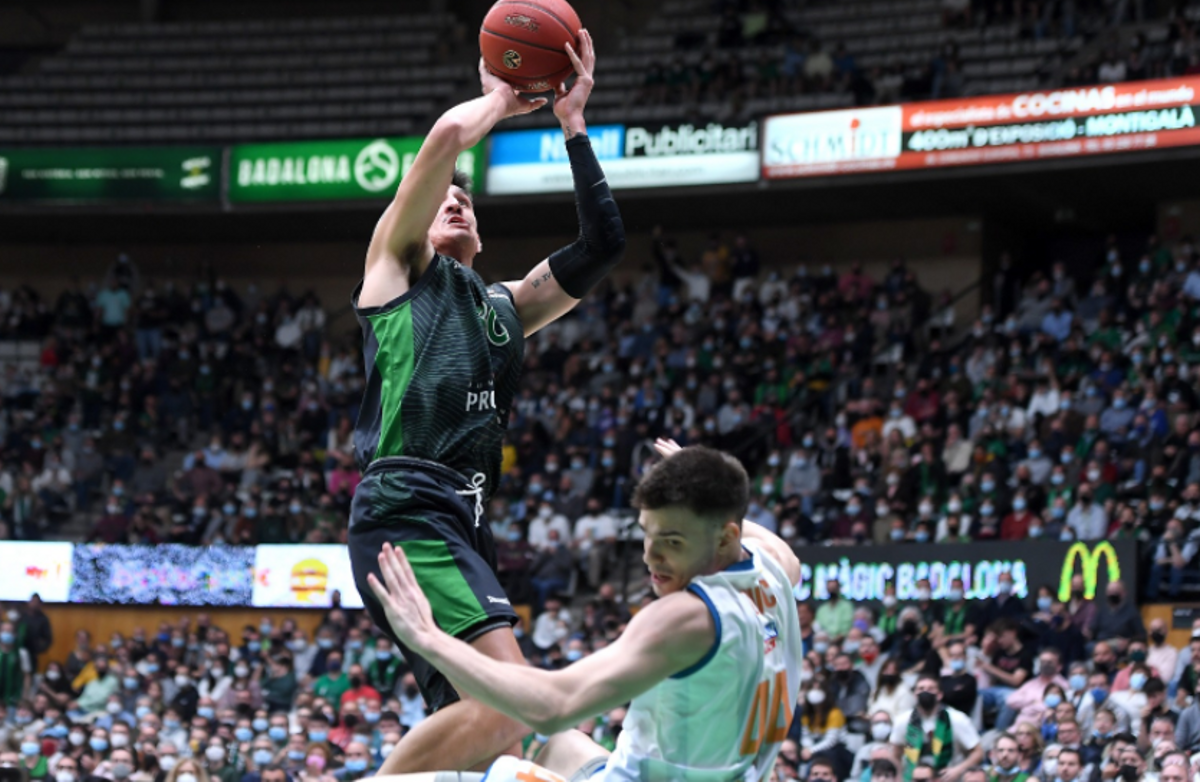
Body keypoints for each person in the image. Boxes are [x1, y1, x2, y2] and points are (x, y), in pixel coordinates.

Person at [345, 30, 626, 776]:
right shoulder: (396, 271)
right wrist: (504, 97)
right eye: (442, 198)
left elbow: (602, 241)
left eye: (465, 198)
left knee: (490, 719)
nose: (455, 200)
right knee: (514, 702)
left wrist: (573, 125)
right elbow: (445, 137)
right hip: (408, 505)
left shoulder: (505, 306)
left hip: (461, 520)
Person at [367, 442, 801, 782]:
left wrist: (428, 637)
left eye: (673, 541)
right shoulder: (774, 571)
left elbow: (553, 705)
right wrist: (696, 474)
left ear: (725, 537)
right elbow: (774, 544)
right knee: (563, 747)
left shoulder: (687, 618)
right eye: (647, 535)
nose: (651, 558)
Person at [891, 675, 984, 782]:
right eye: (921, 688)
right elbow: (895, 753)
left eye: (930, 689)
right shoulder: (903, 720)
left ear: (939, 695)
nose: (925, 691)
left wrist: (958, 770)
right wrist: (900, 777)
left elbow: (978, 752)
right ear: (915, 695)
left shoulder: (957, 719)